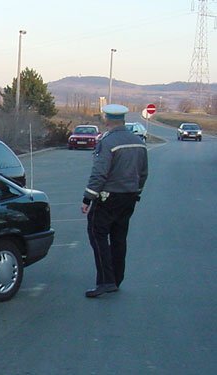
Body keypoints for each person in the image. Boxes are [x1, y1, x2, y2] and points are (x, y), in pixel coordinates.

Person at [81, 104, 148, 298]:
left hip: (108, 197)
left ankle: (105, 281)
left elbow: (99, 173)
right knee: (119, 237)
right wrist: (136, 191)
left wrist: (88, 198)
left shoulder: (108, 142)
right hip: (129, 197)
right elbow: (143, 173)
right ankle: (117, 278)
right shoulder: (138, 141)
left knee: (97, 234)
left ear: (107, 119)